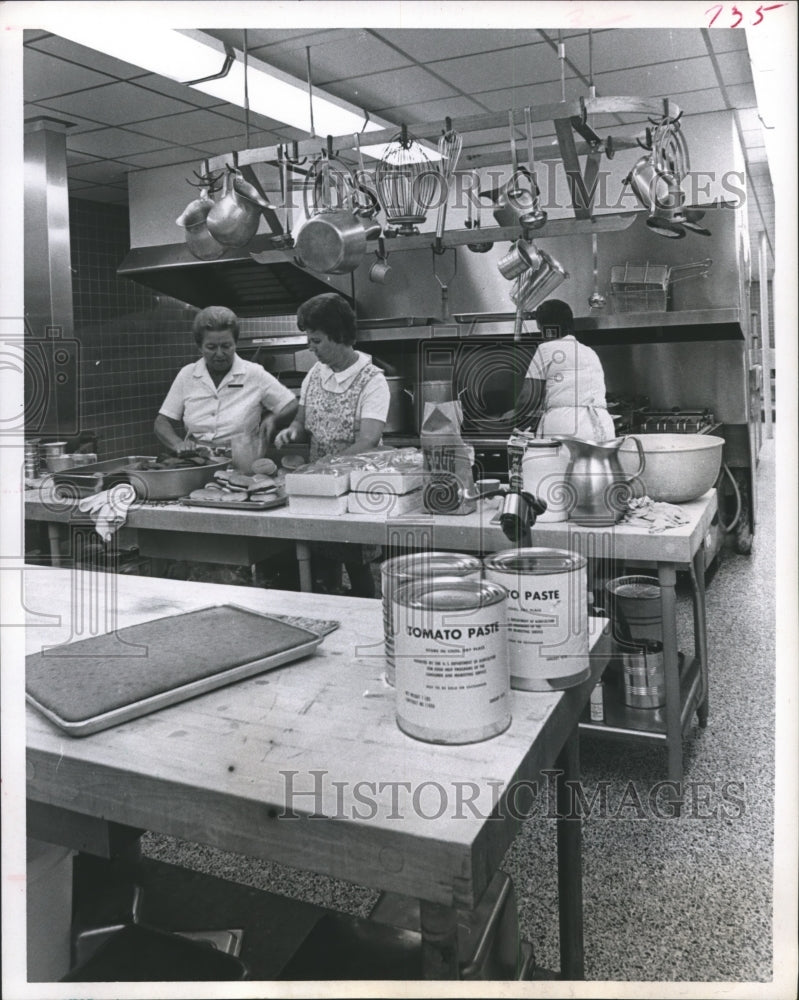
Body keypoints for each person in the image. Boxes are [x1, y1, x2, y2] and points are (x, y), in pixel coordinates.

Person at [274, 293, 390, 597]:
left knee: (358, 565)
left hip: (355, 488)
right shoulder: (316, 373)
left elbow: (368, 440)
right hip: (317, 489)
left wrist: (324, 466)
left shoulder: (372, 380)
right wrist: (292, 431)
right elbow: (301, 420)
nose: (311, 349)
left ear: (339, 335)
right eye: (309, 341)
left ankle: (367, 622)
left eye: (317, 341)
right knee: (321, 563)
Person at [154, 305, 298, 455]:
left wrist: (274, 419)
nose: (220, 354)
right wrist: (178, 444)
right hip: (198, 460)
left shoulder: (254, 373)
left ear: (235, 343)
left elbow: (291, 404)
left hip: (242, 461)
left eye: (226, 346)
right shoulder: (187, 374)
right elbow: (162, 422)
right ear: (199, 347)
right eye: (211, 347)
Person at [522, 299, 616, 442]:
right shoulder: (589, 351)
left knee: (557, 464)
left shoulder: (546, 349)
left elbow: (528, 398)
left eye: (540, 329)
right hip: (602, 427)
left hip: (566, 427)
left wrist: (506, 418)